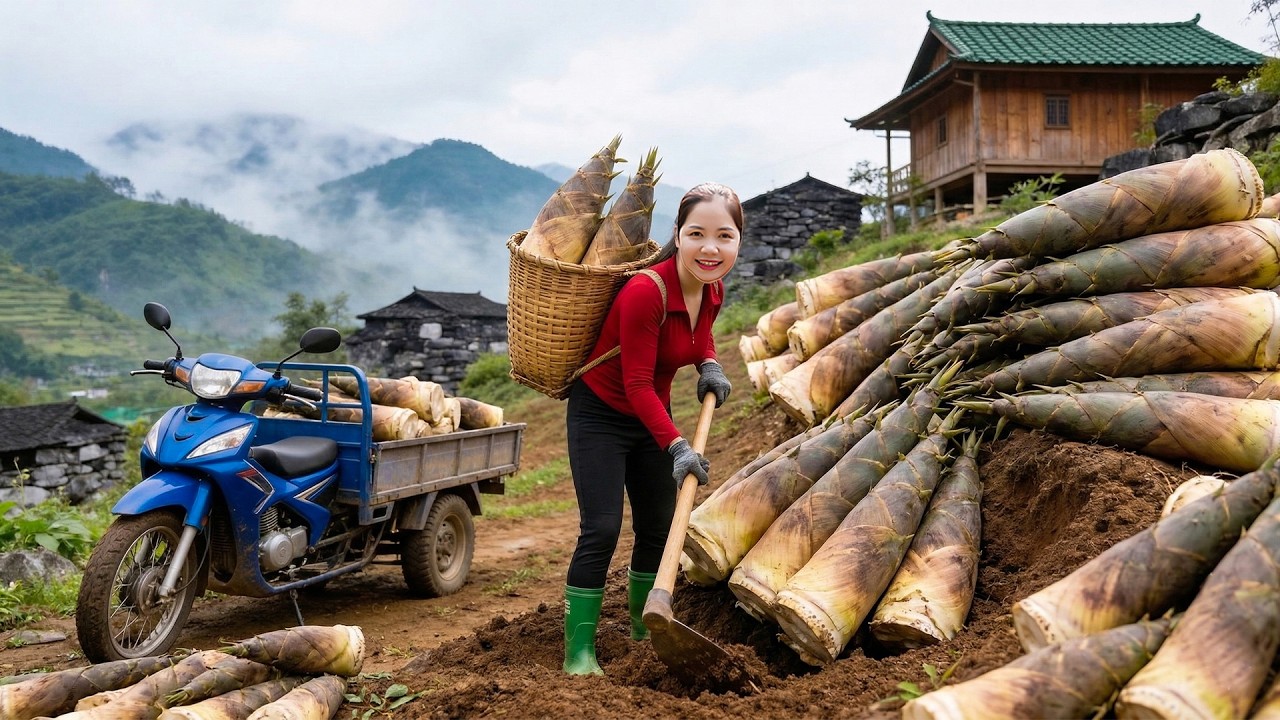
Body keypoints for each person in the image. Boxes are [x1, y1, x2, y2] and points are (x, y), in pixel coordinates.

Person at [562, 182, 743, 675]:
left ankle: (645, 632)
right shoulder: (647, 291)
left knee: (658, 527)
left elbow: (700, 333)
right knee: (601, 529)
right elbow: (636, 383)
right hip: (600, 415)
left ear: (738, 241)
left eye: (724, 236)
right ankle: (579, 652)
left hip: (649, 417)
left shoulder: (712, 288)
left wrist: (709, 362)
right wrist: (679, 447)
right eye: (697, 234)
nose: (710, 248)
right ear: (678, 235)